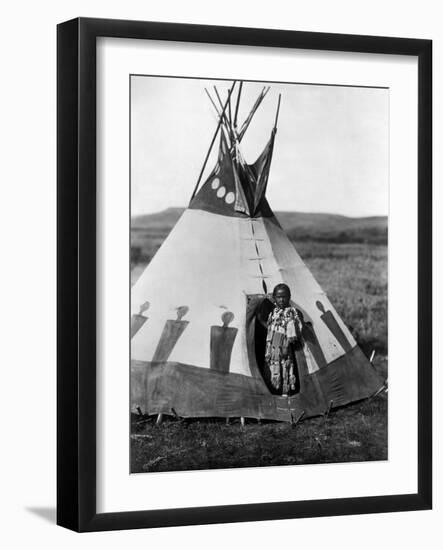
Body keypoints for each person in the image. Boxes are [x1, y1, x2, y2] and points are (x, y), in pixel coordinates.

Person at [265, 283, 303, 396]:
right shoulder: (273, 313)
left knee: (285, 368)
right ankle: (274, 390)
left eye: (284, 296)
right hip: (273, 347)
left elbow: (295, 332)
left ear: (289, 297)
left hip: (284, 347)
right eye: (278, 297)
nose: (281, 299)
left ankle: (285, 392)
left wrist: (286, 344)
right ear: (274, 298)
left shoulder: (291, 313)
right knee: (273, 368)